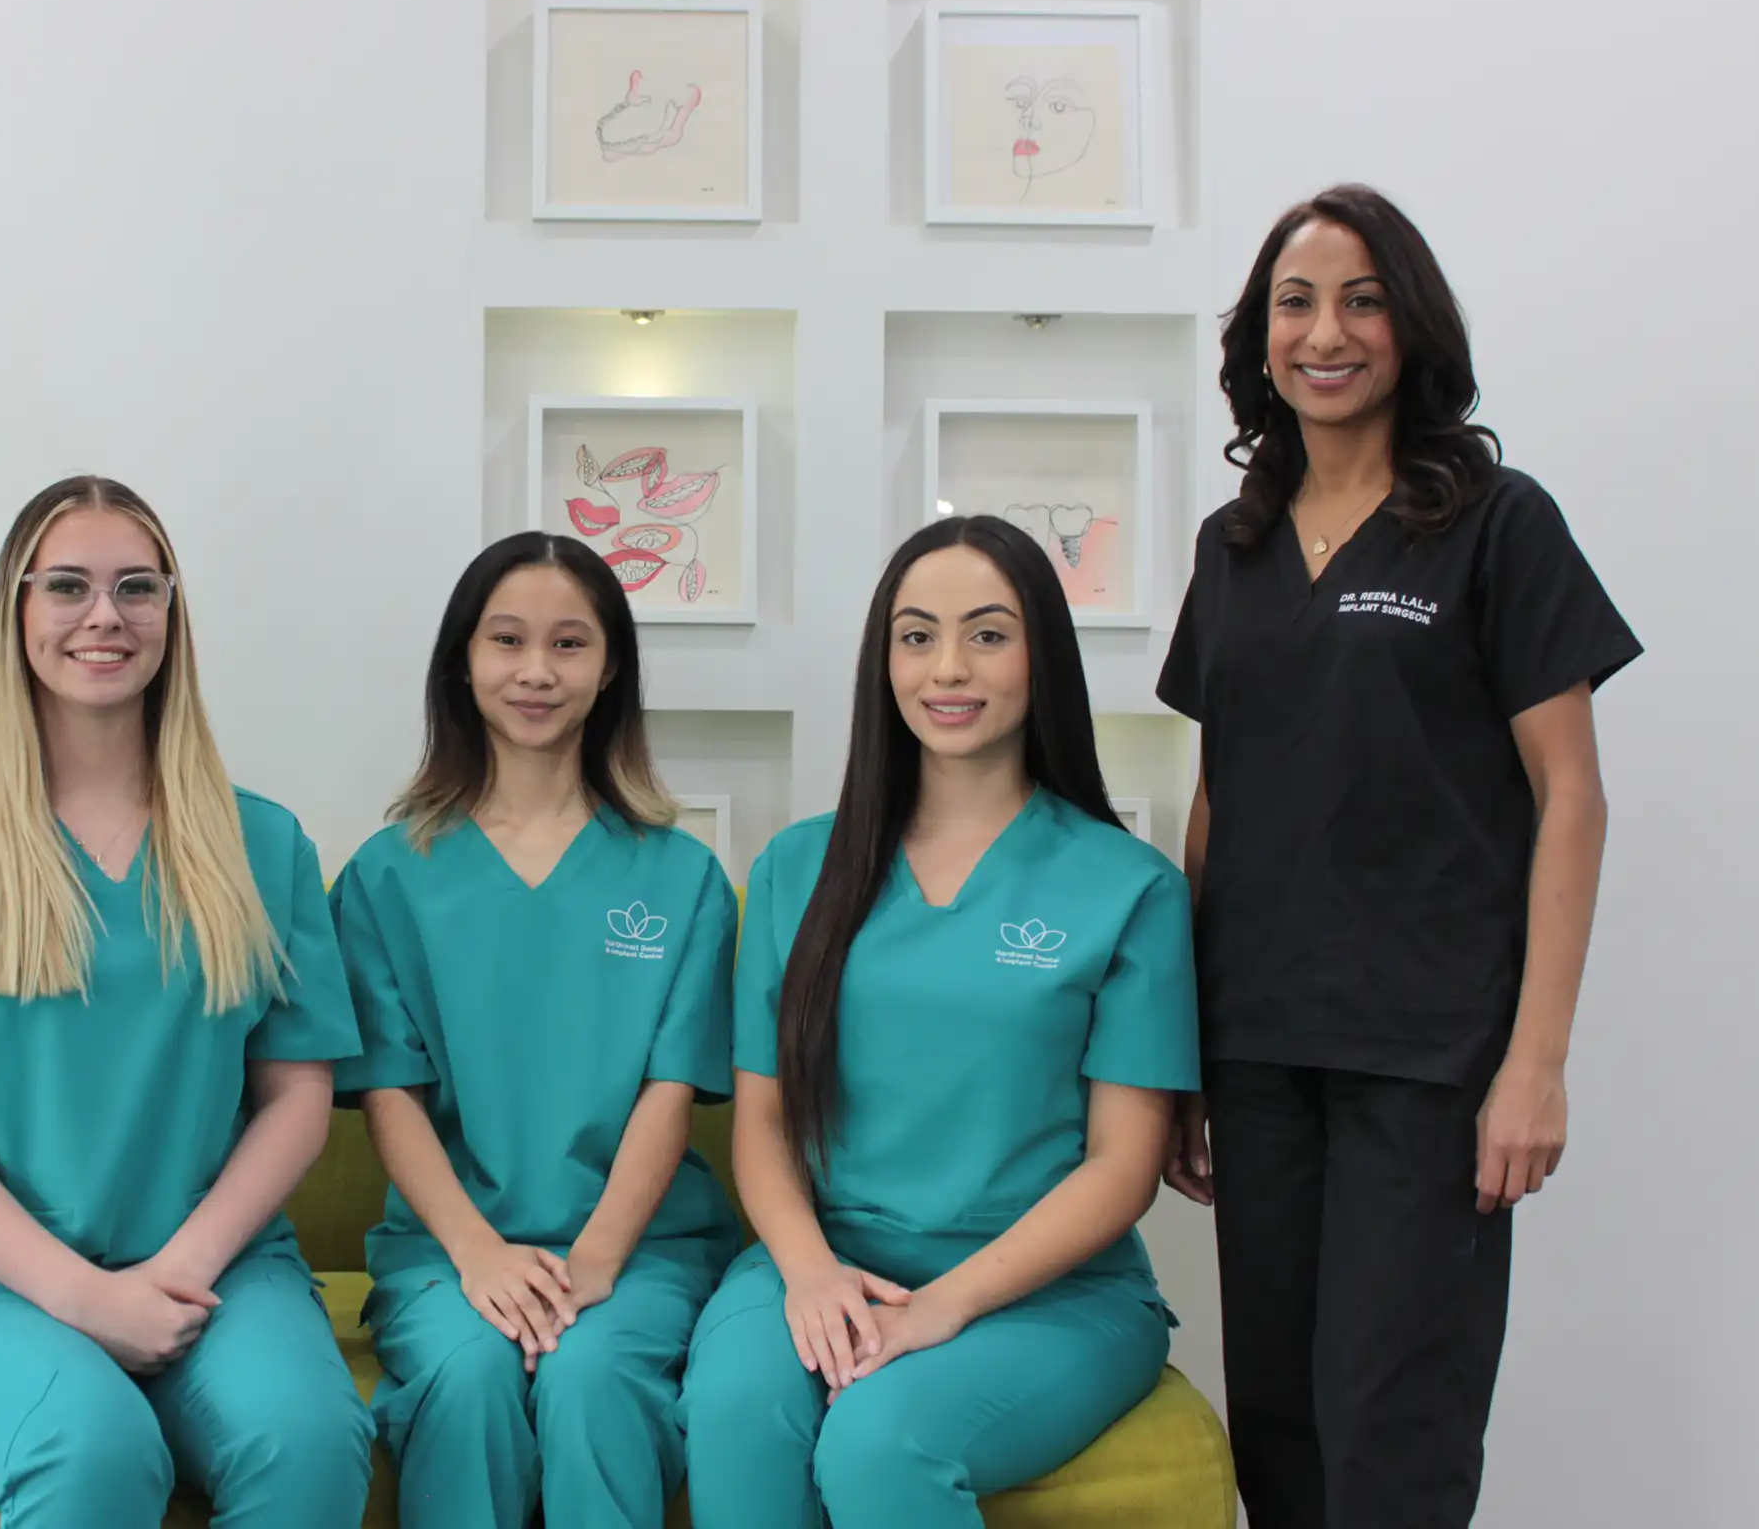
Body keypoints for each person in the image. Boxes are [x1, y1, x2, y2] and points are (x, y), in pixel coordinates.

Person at [1156, 184, 1641, 1529]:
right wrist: (1180, 1051)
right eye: (1294, 304)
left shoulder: (1495, 523)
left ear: (1410, 326)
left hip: (1426, 1057)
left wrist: (1533, 1063)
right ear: (1257, 340)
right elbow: (1217, 800)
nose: (1325, 333)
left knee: (1391, 1433)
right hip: (1257, 1049)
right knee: (1276, 1425)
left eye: (1361, 301)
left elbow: (1570, 797)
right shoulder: (1232, 544)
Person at [0, 475, 373, 1528]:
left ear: (172, 616)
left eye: (137, 587)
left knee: (308, 1442)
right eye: (67, 586)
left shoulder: (263, 846)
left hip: (215, 1270)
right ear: (15, 612)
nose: (105, 615)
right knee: (90, 1448)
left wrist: (175, 1275)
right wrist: (88, 1300)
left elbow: (296, 1099)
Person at [680, 514, 1200, 1529]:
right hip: (821, 1256)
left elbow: (1122, 1168)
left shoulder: (1128, 886)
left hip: (1052, 1293)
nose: (947, 667)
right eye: (916, 636)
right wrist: (809, 1274)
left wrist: (939, 1309)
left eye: (987, 634)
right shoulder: (795, 867)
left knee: (880, 1441)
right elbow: (763, 1120)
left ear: (1042, 657)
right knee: (737, 1413)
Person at [330, 532, 740, 1529]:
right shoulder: (387, 875)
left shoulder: (681, 876)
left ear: (610, 669)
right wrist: (477, 1254)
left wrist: (594, 1261)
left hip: (638, 1249)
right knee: (468, 1378)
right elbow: (389, 1095)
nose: (535, 672)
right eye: (506, 640)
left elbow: (670, 1093)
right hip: (447, 1249)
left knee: (590, 1378)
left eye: (568, 643)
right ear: (462, 662)